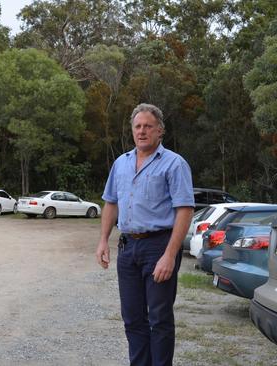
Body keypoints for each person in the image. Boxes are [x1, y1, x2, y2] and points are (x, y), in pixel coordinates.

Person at [96, 103, 194, 366]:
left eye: (148, 126)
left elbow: (184, 211)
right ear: (132, 130)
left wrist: (170, 256)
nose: (142, 131)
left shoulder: (174, 164)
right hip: (127, 247)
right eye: (137, 126)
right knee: (132, 318)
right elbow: (111, 203)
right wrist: (104, 240)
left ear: (160, 131)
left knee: (159, 319)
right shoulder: (121, 163)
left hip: (158, 247)